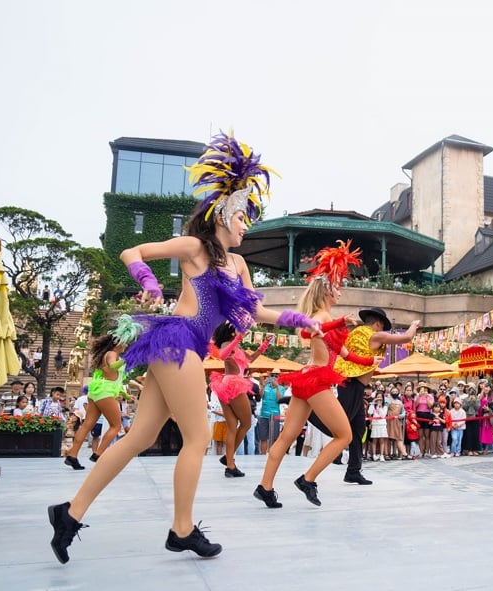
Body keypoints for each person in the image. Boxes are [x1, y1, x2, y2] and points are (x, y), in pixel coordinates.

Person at [49, 132, 317, 563]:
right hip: (177, 341)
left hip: (186, 348)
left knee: (139, 437)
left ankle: (69, 513)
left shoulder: (240, 265)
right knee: (195, 438)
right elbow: (131, 250)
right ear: (225, 215)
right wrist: (150, 283)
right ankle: (182, 528)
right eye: (243, 216)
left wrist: (303, 322)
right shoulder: (195, 248)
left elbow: (259, 311)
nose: (246, 224)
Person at [255, 240, 364, 508]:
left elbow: (343, 352)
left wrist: (369, 358)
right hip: (316, 381)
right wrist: (340, 322)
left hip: (307, 378)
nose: (340, 290)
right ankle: (308, 479)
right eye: (337, 285)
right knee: (345, 436)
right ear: (327, 290)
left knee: (287, 436)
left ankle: (265, 486)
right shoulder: (322, 315)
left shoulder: (324, 315)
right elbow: (307, 331)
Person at [309, 307, 419, 483]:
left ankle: (353, 471)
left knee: (358, 428)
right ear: (378, 323)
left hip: (353, 385)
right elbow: (406, 337)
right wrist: (413, 325)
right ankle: (311, 414)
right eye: (382, 326)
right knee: (339, 427)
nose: (383, 330)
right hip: (352, 384)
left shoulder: (355, 333)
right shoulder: (374, 335)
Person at [63, 316, 139, 471]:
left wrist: (125, 396)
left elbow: (114, 381)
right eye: (126, 342)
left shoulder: (109, 354)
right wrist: (127, 359)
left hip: (97, 392)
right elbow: (113, 366)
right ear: (119, 342)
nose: (127, 345)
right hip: (104, 393)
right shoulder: (112, 354)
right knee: (116, 425)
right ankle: (98, 454)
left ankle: (72, 455)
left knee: (87, 425)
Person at [209, 323, 270, 477]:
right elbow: (222, 355)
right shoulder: (227, 344)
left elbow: (250, 359)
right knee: (246, 423)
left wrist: (265, 344)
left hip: (227, 383)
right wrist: (238, 338)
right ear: (231, 332)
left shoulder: (235, 345)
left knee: (232, 426)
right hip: (233, 383)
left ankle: (229, 464)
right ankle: (229, 459)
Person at [258, 371, 284, 454]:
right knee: (263, 437)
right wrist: (263, 386)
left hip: (275, 414)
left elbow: (279, 399)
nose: (274, 378)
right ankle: (262, 454)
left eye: (276, 376)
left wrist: (277, 388)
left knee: (274, 437)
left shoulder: (281, 388)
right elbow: (261, 396)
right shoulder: (266, 387)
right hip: (264, 414)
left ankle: (272, 454)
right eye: (272, 376)